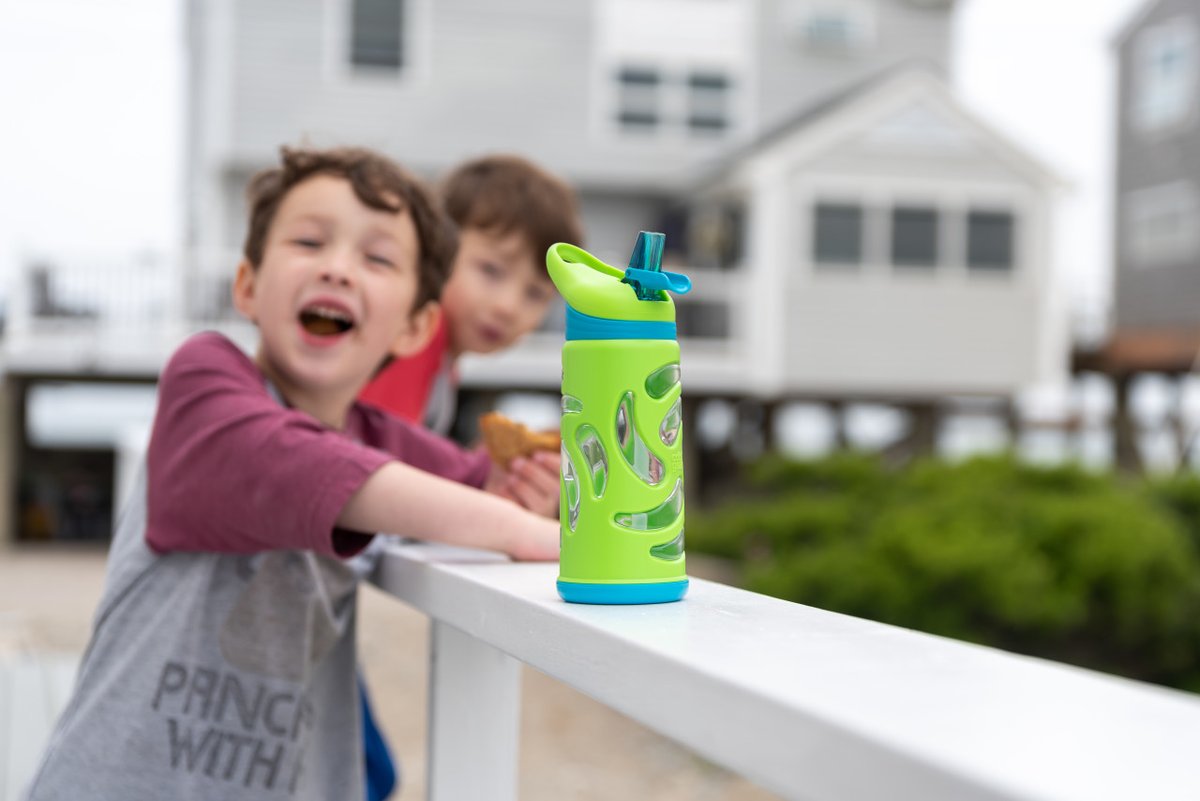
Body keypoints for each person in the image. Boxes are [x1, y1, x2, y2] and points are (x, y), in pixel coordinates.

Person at [23, 146, 559, 801]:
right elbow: (300, 464)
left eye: (378, 257)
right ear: (247, 284)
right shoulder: (204, 382)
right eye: (309, 240)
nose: (337, 267)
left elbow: (473, 480)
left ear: (417, 327)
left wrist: (525, 489)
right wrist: (510, 523)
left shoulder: (380, 436)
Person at [358, 154, 583, 514]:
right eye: (491, 270)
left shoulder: (440, 358)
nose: (508, 305)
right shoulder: (416, 341)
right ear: (437, 247)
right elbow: (376, 465)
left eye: (536, 294)